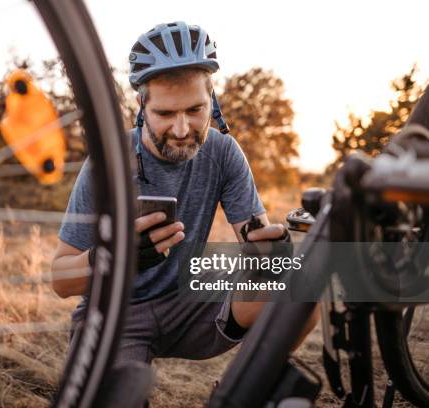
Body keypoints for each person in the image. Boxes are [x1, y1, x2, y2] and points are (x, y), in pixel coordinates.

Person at [51, 21, 319, 368]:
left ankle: (245, 392)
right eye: (164, 113)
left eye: (195, 110)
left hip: (192, 303)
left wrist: (274, 256)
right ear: (141, 104)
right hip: (116, 317)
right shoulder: (108, 161)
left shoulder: (224, 152)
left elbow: (258, 258)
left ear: (212, 99)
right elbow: (60, 280)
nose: (181, 130)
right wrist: (114, 258)